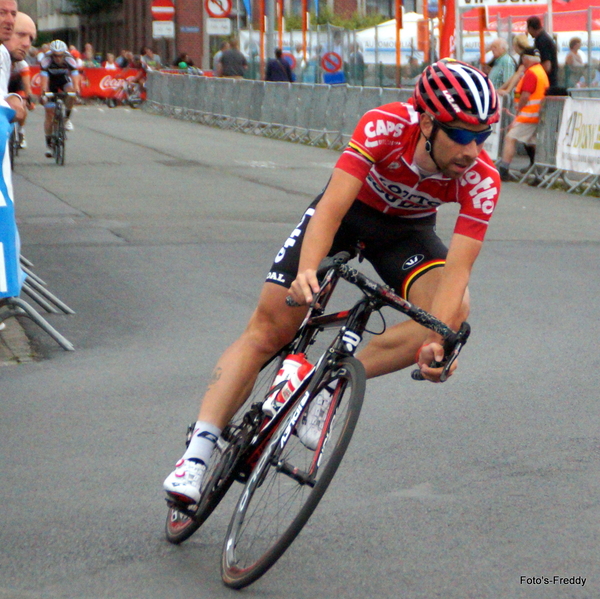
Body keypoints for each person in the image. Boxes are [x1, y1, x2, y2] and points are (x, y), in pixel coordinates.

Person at [163, 58, 501, 504]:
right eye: (460, 134)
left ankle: (332, 382)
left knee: (452, 313)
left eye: (482, 136)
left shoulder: (481, 178)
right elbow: (332, 207)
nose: (471, 150)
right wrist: (307, 271)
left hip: (405, 234)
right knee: (270, 329)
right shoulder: (384, 126)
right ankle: (197, 454)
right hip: (346, 216)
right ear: (427, 122)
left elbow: (458, 268)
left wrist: (438, 341)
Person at [497, 48, 549, 182]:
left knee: (510, 138)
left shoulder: (531, 73)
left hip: (528, 114)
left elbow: (525, 95)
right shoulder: (540, 71)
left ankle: (504, 169)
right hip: (535, 114)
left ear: (526, 58)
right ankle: (540, 174)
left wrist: (519, 110)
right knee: (532, 142)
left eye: (523, 59)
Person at [39, 40, 81, 157]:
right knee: (49, 114)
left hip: (63, 80)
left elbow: (75, 74)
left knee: (71, 93)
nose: (58, 58)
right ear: (52, 54)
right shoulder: (46, 60)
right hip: (50, 81)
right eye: (55, 56)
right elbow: (44, 81)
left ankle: (66, 119)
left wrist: (76, 88)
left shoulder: (69, 58)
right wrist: (44, 93)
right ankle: (49, 145)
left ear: (64, 53)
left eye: (60, 56)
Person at [5, 11, 36, 148]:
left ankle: (21, 131)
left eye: (31, 39)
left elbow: (26, 85)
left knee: (21, 103)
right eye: (21, 35)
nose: (27, 44)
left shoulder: (22, 63)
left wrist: (28, 99)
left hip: (15, 84)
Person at [526, 16, 558, 88]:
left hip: (547, 82)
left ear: (530, 28)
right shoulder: (545, 37)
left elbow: (547, 66)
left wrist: (532, 72)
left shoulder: (541, 40)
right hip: (551, 80)